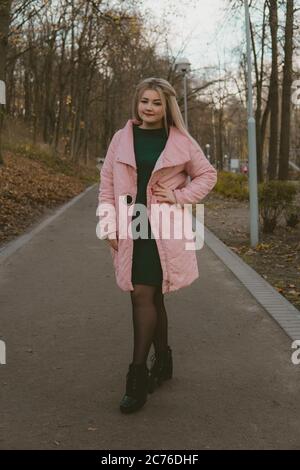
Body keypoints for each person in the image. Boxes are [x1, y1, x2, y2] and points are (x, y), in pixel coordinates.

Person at [97, 77, 217, 414]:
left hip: (163, 227)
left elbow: (207, 175)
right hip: (132, 224)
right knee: (149, 293)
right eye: (144, 101)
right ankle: (163, 361)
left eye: (156, 103)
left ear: (167, 107)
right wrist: (107, 222)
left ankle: (137, 377)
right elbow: (107, 183)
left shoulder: (180, 141)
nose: (148, 108)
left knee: (144, 294)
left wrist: (179, 196)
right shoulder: (121, 138)